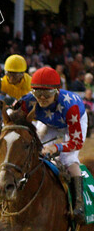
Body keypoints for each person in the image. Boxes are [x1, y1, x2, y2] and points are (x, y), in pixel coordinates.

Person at [18, 66, 88, 223]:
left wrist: (56, 147)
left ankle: (79, 205)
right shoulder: (28, 100)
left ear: (57, 91)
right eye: (37, 93)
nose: (42, 98)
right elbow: (13, 116)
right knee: (33, 149)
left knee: (68, 159)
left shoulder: (71, 107)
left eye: (47, 94)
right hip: (50, 123)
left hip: (72, 123)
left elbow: (76, 143)